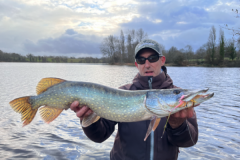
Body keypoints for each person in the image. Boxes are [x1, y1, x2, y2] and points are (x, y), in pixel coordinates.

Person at [70, 39, 198, 160]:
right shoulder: (122, 93)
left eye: (152, 58)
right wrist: (88, 118)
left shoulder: (177, 96)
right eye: (141, 60)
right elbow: (99, 136)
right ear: (137, 64)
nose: (147, 65)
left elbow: (189, 141)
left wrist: (178, 125)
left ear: (162, 60)